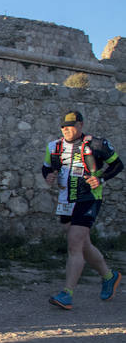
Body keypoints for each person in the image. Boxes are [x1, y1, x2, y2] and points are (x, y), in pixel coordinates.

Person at [43, 110, 122, 309]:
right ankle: (109, 276)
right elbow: (46, 167)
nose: (66, 129)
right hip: (65, 201)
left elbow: (118, 165)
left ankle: (67, 294)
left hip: (88, 199)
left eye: (70, 125)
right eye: (63, 126)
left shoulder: (97, 144)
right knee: (83, 244)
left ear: (80, 125)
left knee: (74, 244)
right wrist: (49, 176)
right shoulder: (54, 147)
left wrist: (101, 178)